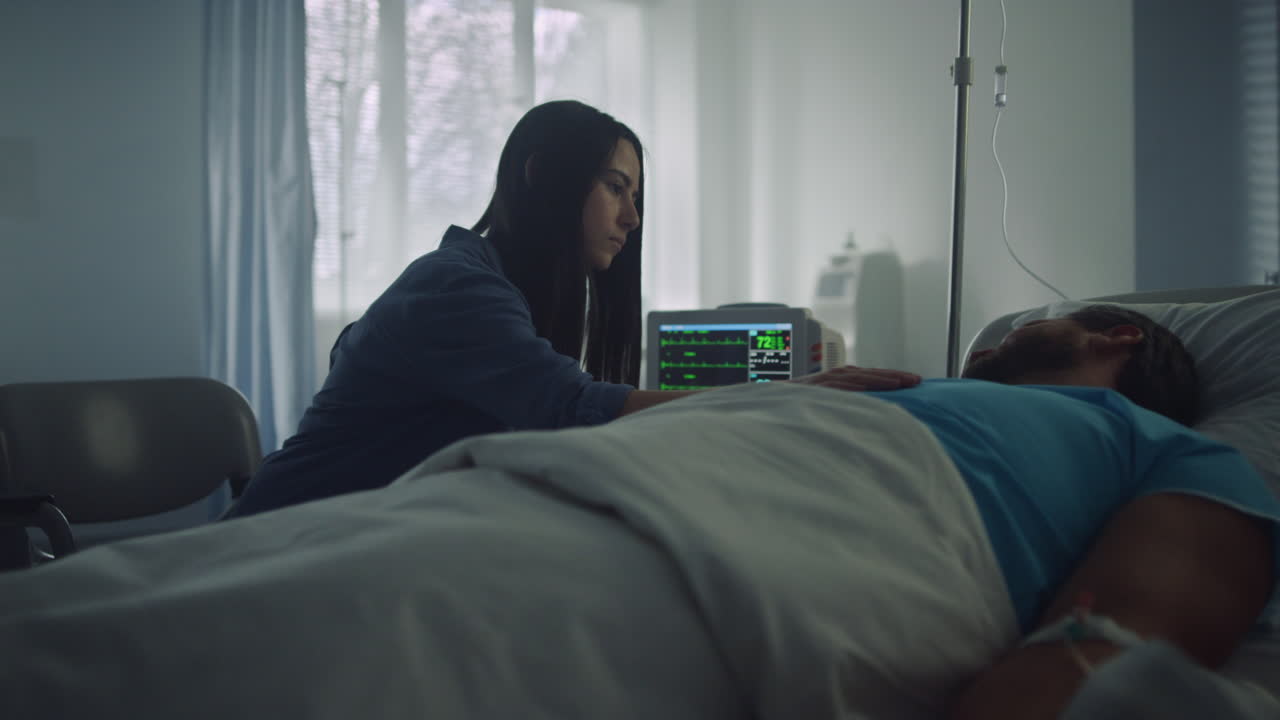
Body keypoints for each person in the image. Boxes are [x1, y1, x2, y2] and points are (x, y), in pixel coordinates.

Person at [224, 100, 919, 518]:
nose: (632, 217)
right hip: (271, 544)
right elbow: (572, 407)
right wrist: (782, 397)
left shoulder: (505, 298)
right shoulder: (455, 289)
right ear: (540, 176)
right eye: (617, 187)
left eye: (637, 196)